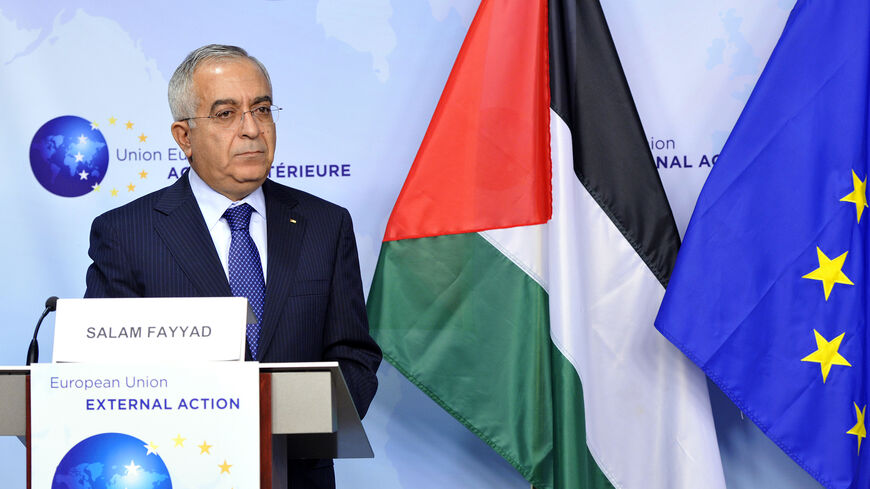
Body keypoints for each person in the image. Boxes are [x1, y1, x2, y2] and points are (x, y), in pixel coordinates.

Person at [84, 44, 382, 489]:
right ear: (184, 136)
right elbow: (102, 374)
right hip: (178, 474)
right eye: (226, 114)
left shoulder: (325, 224)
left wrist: (296, 427)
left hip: (297, 474)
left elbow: (354, 355)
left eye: (261, 109)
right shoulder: (126, 233)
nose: (252, 130)